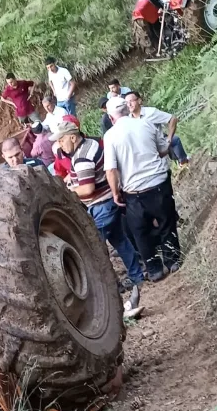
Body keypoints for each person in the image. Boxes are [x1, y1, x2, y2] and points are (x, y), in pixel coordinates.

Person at [54, 120, 143, 311]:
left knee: (95, 250)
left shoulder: (82, 158)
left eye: (61, 140)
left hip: (101, 205)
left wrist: (67, 191)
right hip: (108, 202)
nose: (60, 145)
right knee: (120, 240)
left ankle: (112, 288)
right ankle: (137, 276)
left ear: (72, 137)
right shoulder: (90, 144)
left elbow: (87, 188)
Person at [103, 97, 181, 281]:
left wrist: (115, 192)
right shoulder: (146, 124)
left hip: (133, 191)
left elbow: (111, 170)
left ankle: (154, 269)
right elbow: (162, 150)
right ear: (126, 110)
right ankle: (172, 260)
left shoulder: (110, 136)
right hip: (158, 182)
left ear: (111, 117)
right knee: (166, 222)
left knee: (140, 230)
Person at [124, 90, 189, 166]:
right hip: (143, 151)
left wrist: (169, 138)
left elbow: (172, 119)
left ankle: (183, 163)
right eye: (126, 103)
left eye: (131, 101)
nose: (129, 104)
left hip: (159, 144)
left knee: (175, 140)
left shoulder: (151, 113)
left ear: (139, 101)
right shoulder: (127, 121)